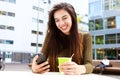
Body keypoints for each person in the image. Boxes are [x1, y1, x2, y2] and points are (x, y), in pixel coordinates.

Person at [31, 2, 93, 75]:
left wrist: (80, 69)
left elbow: (90, 65)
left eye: (64, 18)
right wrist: (34, 67)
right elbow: (41, 58)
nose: (61, 23)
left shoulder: (85, 37)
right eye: (57, 20)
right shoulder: (50, 36)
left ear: (72, 18)